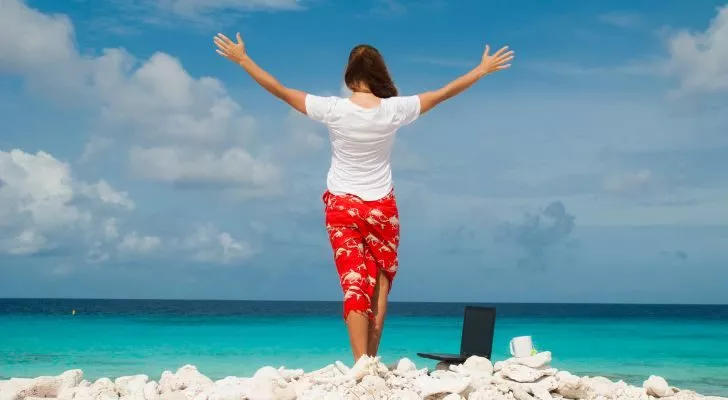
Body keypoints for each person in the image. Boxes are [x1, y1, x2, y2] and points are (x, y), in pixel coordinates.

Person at [213, 33, 514, 362]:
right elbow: (442, 94)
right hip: (382, 209)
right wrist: (481, 70)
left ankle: (361, 365)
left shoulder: (333, 109)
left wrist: (243, 61)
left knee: (354, 283)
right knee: (379, 286)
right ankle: (372, 359)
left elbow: (281, 91)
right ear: (379, 74)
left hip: (342, 206)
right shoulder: (393, 110)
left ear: (350, 75)